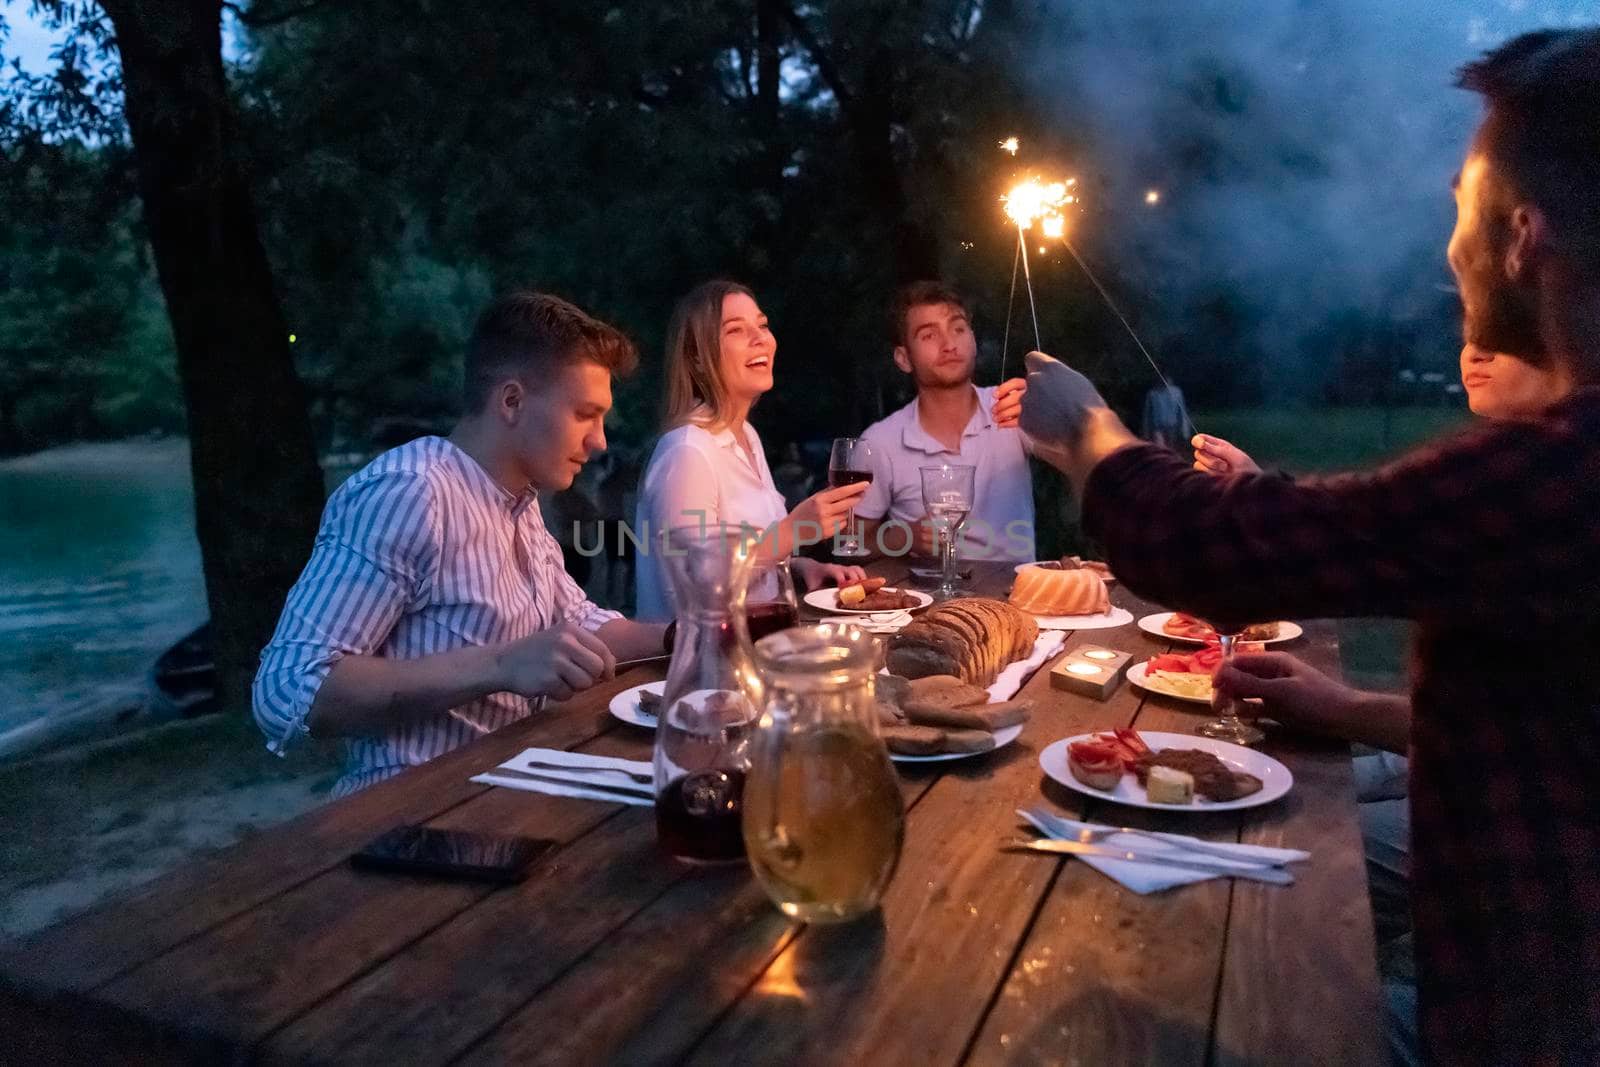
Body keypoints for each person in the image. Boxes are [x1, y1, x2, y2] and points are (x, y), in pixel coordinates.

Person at [1018, 29, 1600, 1066]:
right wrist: (1346, 708)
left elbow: (1222, 548)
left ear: (1521, 237)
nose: (1447, 247)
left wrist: (1086, 433)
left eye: (1459, 210)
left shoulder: (1564, 472)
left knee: (1114, 1023)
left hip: (1529, 1032)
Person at [253, 291, 671, 796]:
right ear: (511, 401)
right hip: (409, 813)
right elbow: (289, 690)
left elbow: (577, 621)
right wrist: (499, 665)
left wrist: (691, 635)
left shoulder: (520, 499)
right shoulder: (410, 491)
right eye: (586, 413)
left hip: (509, 789)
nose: (600, 440)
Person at [633, 280, 868, 622]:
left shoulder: (747, 436)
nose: (761, 338)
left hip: (758, 644)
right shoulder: (687, 451)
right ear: (697, 358)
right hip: (698, 667)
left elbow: (745, 553)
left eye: (762, 325)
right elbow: (691, 588)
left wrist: (801, 566)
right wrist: (793, 531)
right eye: (736, 330)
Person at [855, 281, 1032, 563]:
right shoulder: (879, 442)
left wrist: (1048, 405)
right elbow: (850, 545)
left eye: (958, 329)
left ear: (973, 338)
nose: (949, 344)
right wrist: (904, 537)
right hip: (926, 603)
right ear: (903, 359)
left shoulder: (1012, 409)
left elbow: (1082, 452)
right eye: (929, 335)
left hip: (1016, 598)